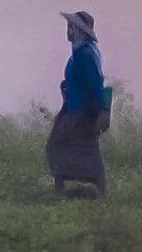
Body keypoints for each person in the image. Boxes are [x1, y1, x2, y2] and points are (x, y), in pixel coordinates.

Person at [46, 10, 110, 196]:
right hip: (75, 106)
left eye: (71, 28)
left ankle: (62, 189)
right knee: (84, 146)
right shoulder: (82, 50)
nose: (68, 31)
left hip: (80, 109)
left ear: (79, 31)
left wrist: (101, 110)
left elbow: (95, 83)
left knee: (57, 144)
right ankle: (97, 187)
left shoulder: (84, 54)